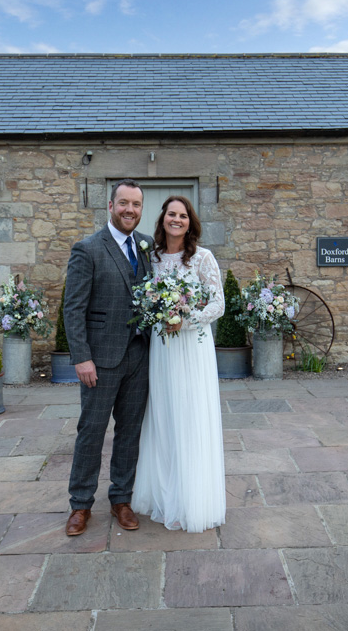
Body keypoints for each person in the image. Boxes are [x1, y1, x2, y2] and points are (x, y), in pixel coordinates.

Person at [63, 179, 154, 536]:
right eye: (124, 203)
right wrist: (81, 357)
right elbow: (73, 308)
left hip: (141, 356)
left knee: (130, 433)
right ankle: (80, 505)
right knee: (91, 432)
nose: (130, 210)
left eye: (136, 204)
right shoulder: (88, 248)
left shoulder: (146, 246)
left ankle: (121, 499)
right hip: (100, 360)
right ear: (111, 206)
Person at [132, 196, 226, 532]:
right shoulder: (151, 257)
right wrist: (158, 313)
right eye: (171, 214)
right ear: (163, 219)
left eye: (183, 215)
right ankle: (162, 491)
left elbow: (218, 304)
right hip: (162, 347)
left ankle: (192, 499)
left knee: (191, 415)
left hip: (191, 347)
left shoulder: (203, 258)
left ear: (191, 221)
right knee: (163, 415)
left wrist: (185, 320)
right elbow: (144, 298)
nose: (177, 219)